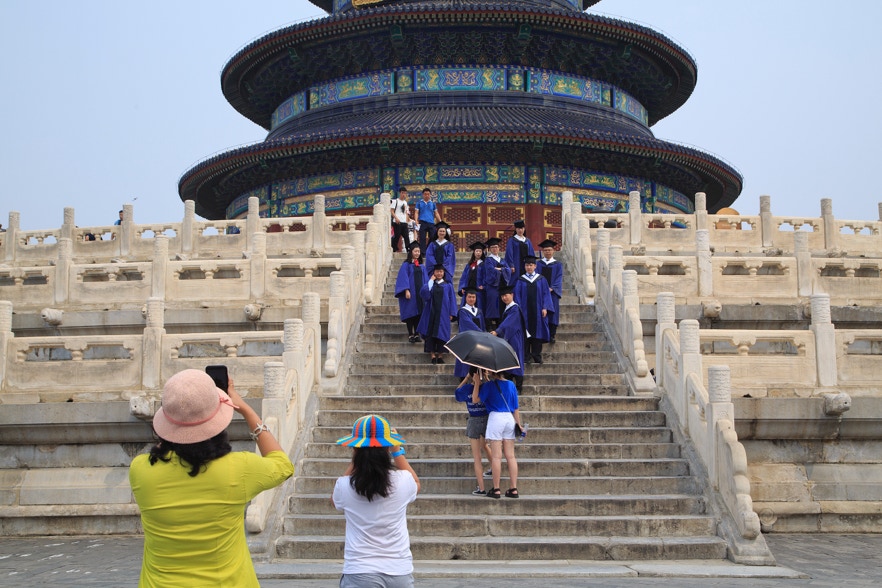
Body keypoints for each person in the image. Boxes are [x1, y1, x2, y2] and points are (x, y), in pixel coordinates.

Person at [129, 369, 294, 587]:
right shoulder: (239, 468)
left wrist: (179, 419)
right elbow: (283, 465)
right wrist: (246, 411)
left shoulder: (140, 470)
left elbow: (165, 446)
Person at [333, 414, 420, 588]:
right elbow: (416, 482)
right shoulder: (403, 481)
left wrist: (358, 457)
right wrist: (397, 451)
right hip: (398, 571)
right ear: (387, 449)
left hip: (359, 572)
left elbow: (334, 500)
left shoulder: (344, 485)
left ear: (355, 449)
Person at [473, 369, 522, 499]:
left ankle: (496, 489)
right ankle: (513, 488)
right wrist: (518, 424)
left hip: (496, 418)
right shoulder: (511, 384)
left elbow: (476, 399)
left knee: (496, 457)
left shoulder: (489, 385)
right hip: (509, 418)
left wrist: (477, 383)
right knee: (511, 456)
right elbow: (516, 408)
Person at [454, 368, 493, 495]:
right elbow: (493, 389)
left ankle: (481, 488)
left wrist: (466, 378)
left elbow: (457, 392)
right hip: (487, 419)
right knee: (485, 445)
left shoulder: (466, 389)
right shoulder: (487, 387)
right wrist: (486, 378)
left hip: (474, 420)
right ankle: (494, 467)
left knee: (477, 457)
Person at [514, 255, 553, 364]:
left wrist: (545, 307)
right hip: (524, 312)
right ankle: (526, 356)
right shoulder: (520, 280)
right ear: (524, 267)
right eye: (527, 265)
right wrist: (518, 310)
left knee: (538, 333)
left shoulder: (541, 279)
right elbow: (517, 296)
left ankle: (536, 355)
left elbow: (546, 294)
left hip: (538, 312)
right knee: (525, 333)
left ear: (535, 266)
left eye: (531, 265)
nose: (529, 267)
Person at [418, 263, 457, 364]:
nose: (439, 273)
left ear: (444, 273)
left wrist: (452, 312)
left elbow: (452, 299)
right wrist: (431, 280)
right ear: (434, 272)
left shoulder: (448, 285)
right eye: (437, 271)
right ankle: (432, 355)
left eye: (441, 271)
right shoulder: (431, 284)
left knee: (442, 334)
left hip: (443, 313)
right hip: (431, 313)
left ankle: (440, 355)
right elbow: (424, 294)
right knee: (430, 333)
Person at [491, 285, 525, 391]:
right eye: (502, 296)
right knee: (509, 360)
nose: (504, 298)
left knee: (516, 359)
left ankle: (518, 387)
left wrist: (497, 331)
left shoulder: (515, 308)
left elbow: (508, 323)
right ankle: (510, 387)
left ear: (512, 295)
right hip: (509, 338)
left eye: (506, 295)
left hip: (514, 338)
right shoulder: (508, 308)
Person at [395, 242, 429, 343]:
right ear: (411, 252)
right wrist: (406, 290)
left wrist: (426, 291)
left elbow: (425, 279)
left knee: (419, 313)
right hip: (411, 293)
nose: (417, 253)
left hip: (420, 294)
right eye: (415, 251)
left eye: (418, 251)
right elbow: (403, 278)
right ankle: (410, 334)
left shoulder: (421, 265)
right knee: (410, 313)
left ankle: (417, 334)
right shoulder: (406, 265)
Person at [453, 288, 486, 378]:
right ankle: (464, 379)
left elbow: (483, 325)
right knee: (466, 363)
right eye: (469, 297)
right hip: (467, 340)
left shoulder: (479, 311)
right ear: (466, 298)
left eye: (473, 297)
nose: (471, 299)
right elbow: (468, 324)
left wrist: (484, 335)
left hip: (478, 341)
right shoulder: (462, 311)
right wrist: (481, 332)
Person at [481, 237, 511, 330]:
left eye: (496, 247)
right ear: (489, 249)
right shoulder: (488, 260)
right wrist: (503, 270)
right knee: (492, 305)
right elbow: (490, 271)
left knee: (501, 305)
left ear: (499, 248)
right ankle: (490, 325)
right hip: (492, 286)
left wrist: (499, 269)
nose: (495, 249)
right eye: (493, 247)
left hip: (502, 286)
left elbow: (508, 270)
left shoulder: (502, 260)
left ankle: (500, 324)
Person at [537, 239, 564, 343]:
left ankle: (552, 335)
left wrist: (552, 288)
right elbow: (537, 277)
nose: (547, 252)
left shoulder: (558, 264)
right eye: (545, 250)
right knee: (542, 313)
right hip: (541, 293)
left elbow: (559, 277)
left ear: (553, 251)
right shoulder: (539, 264)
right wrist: (541, 288)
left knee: (553, 313)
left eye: (549, 250)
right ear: (543, 251)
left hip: (553, 293)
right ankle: (543, 334)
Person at [504, 219, 535, 285]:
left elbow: (531, 253)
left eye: (522, 228)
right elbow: (509, 253)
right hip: (516, 265)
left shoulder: (527, 241)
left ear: (524, 229)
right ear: (516, 229)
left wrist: (532, 263)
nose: (520, 230)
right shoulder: (512, 240)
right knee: (515, 281)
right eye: (518, 229)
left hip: (526, 264)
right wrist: (511, 265)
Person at [458, 241, 486, 310]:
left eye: (480, 251)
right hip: (469, 289)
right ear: (474, 252)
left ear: (482, 252)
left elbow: (486, 276)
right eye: (477, 251)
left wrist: (484, 285)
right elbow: (464, 277)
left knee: (479, 307)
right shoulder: (469, 265)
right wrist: (462, 287)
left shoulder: (484, 264)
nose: (478, 253)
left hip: (479, 290)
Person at [414, 187, 441, 252]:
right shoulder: (419, 203)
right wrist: (416, 220)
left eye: (428, 194)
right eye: (425, 194)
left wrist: (440, 222)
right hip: (422, 222)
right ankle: (423, 252)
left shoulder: (433, 203)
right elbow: (416, 212)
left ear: (430, 195)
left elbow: (436, 213)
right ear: (423, 195)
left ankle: (428, 248)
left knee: (433, 236)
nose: (427, 195)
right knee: (422, 238)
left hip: (431, 222)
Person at [390, 187, 412, 252]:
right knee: (397, 235)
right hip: (397, 221)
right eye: (402, 193)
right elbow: (391, 211)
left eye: (405, 193)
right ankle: (394, 248)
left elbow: (406, 212)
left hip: (404, 222)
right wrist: (396, 218)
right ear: (400, 193)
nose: (404, 194)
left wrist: (407, 221)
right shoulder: (395, 201)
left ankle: (408, 249)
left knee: (406, 236)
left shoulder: (405, 202)